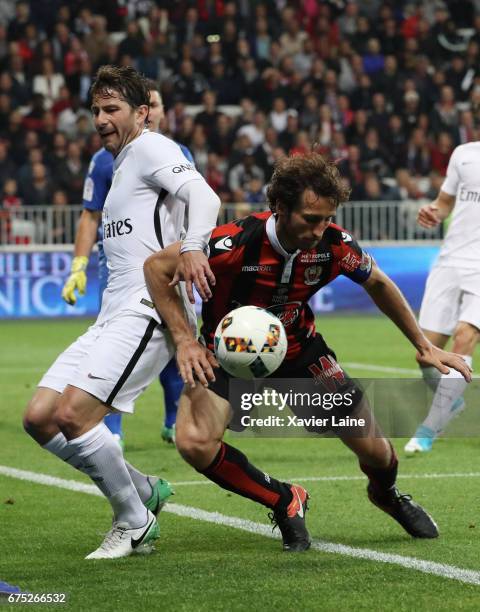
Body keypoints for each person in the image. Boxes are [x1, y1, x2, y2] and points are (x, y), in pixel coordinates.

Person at [144, 153, 472, 552]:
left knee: (377, 451)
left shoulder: (334, 243)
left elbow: (379, 283)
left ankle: (386, 494)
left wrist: (424, 345)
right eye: (310, 219)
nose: (320, 230)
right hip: (228, 355)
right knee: (194, 440)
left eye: (327, 219)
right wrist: (186, 340)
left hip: (299, 352)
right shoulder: (232, 242)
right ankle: (284, 500)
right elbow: (157, 268)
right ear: (279, 207)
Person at [23, 65, 221, 559]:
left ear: (141, 112)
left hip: (147, 308)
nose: (100, 119)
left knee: (74, 414)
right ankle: (143, 489)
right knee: (40, 417)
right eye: (95, 110)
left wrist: (194, 246)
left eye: (111, 109)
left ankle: (134, 521)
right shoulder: (119, 167)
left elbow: (204, 194)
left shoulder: (151, 146)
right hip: (113, 312)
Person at [61, 79, 189, 445]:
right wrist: (79, 265)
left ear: (154, 112)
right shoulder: (103, 160)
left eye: (157, 103)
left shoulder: (176, 154)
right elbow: (90, 215)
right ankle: (111, 430)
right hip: (119, 272)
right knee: (115, 350)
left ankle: (174, 420)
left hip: (168, 267)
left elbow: (196, 203)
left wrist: (193, 251)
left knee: (173, 342)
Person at [405, 141, 480, 453]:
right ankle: (452, 401)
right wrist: (434, 211)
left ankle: (427, 430)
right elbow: (446, 201)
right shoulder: (464, 153)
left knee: (464, 337)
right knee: (425, 354)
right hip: (449, 261)